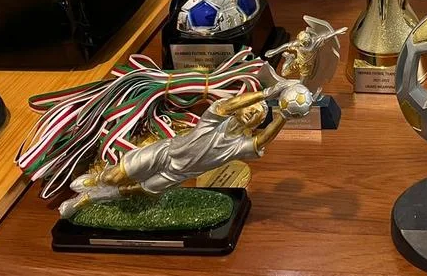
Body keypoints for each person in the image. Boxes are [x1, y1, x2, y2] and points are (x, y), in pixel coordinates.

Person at [59, 80, 303, 218]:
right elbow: (228, 105)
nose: (252, 113)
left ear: (256, 124)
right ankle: (96, 180)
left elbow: (263, 141)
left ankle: (87, 200)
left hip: (176, 175)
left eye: (258, 115)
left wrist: (283, 117)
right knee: (114, 176)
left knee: (134, 191)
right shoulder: (215, 119)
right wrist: (267, 93)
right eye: (252, 108)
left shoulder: (238, 146)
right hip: (164, 153)